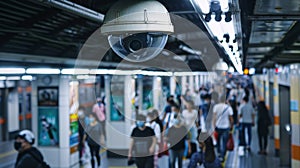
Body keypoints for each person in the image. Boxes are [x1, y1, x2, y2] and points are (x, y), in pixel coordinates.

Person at [212, 94, 234, 162]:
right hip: (226, 127)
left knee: (218, 141)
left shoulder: (216, 107)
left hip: (218, 127)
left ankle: (218, 153)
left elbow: (214, 118)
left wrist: (214, 126)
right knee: (224, 142)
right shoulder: (228, 108)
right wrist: (231, 126)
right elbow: (231, 119)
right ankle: (222, 155)